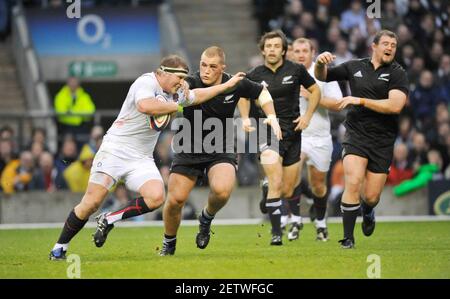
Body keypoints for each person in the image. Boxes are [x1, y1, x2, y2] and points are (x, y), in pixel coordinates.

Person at [49, 54, 246, 260]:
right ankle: (59, 246)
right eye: (179, 78)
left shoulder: (175, 92)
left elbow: (200, 94)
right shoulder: (145, 82)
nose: (182, 83)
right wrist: (178, 106)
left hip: (141, 157)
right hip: (114, 151)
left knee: (156, 197)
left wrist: (227, 85)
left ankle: (109, 219)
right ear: (163, 73)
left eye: (183, 80)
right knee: (91, 202)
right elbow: (145, 106)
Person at [156, 46, 281, 256]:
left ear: (222, 68)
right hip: (189, 145)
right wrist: (182, 84)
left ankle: (206, 218)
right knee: (176, 199)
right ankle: (169, 242)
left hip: (220, 145)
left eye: (212, 67)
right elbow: (179, 85)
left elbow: (262, 93)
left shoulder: (234, 82)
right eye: (203, 65)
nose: (206, 70)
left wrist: (271, 115)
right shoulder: (191, 82)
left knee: (222, 191)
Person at [314, 30, 409, 248]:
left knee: (372, 196)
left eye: (393, 45)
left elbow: (395, 106)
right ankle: (348, 238)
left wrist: (360, 100)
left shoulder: (397, 73)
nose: (390, 48)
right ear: (373, 46)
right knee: (353, 181)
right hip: (356, 134)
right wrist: (320, 62)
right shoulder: (354, 66)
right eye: (385, 43)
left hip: (382, 140)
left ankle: (368, 210)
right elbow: (322, 75)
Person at [239, 30, 321, 245]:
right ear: (263, 50)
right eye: (268, 46)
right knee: (277, 181)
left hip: (293, 133)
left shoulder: (296, 70)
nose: (272, 50)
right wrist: (246, 118)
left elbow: (315, 91)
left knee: (286, 188)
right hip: (265, 131)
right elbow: (243, 95)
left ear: (284, 50)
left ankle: (267, 188)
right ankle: (276, 233)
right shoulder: (254, 74)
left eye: (276, 46)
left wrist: (307, 116)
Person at [286, 37, 342, 241]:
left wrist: (312, 96)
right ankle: (295, 221)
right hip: (296, 137)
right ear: (291, 53)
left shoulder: (324, 75)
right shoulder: (286, 74)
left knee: (318, 185)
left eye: (305, 51)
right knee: (290, 178)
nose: (300, 54)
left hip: (320, 137)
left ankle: (320, 223)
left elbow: (338, 105)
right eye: (297, 51)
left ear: (312, 53)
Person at [54, 77, 96, 147]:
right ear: (67, 83)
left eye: (75, 82)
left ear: (78, 84)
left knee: (84, 143)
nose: (73, 84)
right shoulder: (60, 96)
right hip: (66, 127)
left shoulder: (84, 96)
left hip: (80, 127)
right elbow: (61, 112)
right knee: (66, 143)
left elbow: (90, 111)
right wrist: (79, 114)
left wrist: (71, 113)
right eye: (71, 82)